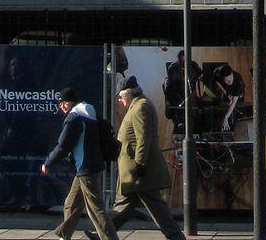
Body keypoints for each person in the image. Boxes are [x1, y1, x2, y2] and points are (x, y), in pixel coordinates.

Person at [107, 78, 185, 240]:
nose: (120, 100)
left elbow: (144, 138)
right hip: (134, 170)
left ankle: (176, 236)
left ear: (129, 94)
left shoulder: (140, 107)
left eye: (121, 97)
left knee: (155, 206)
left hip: (140, 170)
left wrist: (140, 163)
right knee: (124, 206)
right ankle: (103, 234)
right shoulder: (138, 105)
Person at [40, 86, 118, 240]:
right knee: (71, 203)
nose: (61, 108)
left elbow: (63, 145)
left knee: (96, 209)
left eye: (61, 104)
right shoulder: (90, 113)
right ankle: (64, 235)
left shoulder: (74, 117)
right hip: (90, 166)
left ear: (67, 103)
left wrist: (48, 163)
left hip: (85, 168)